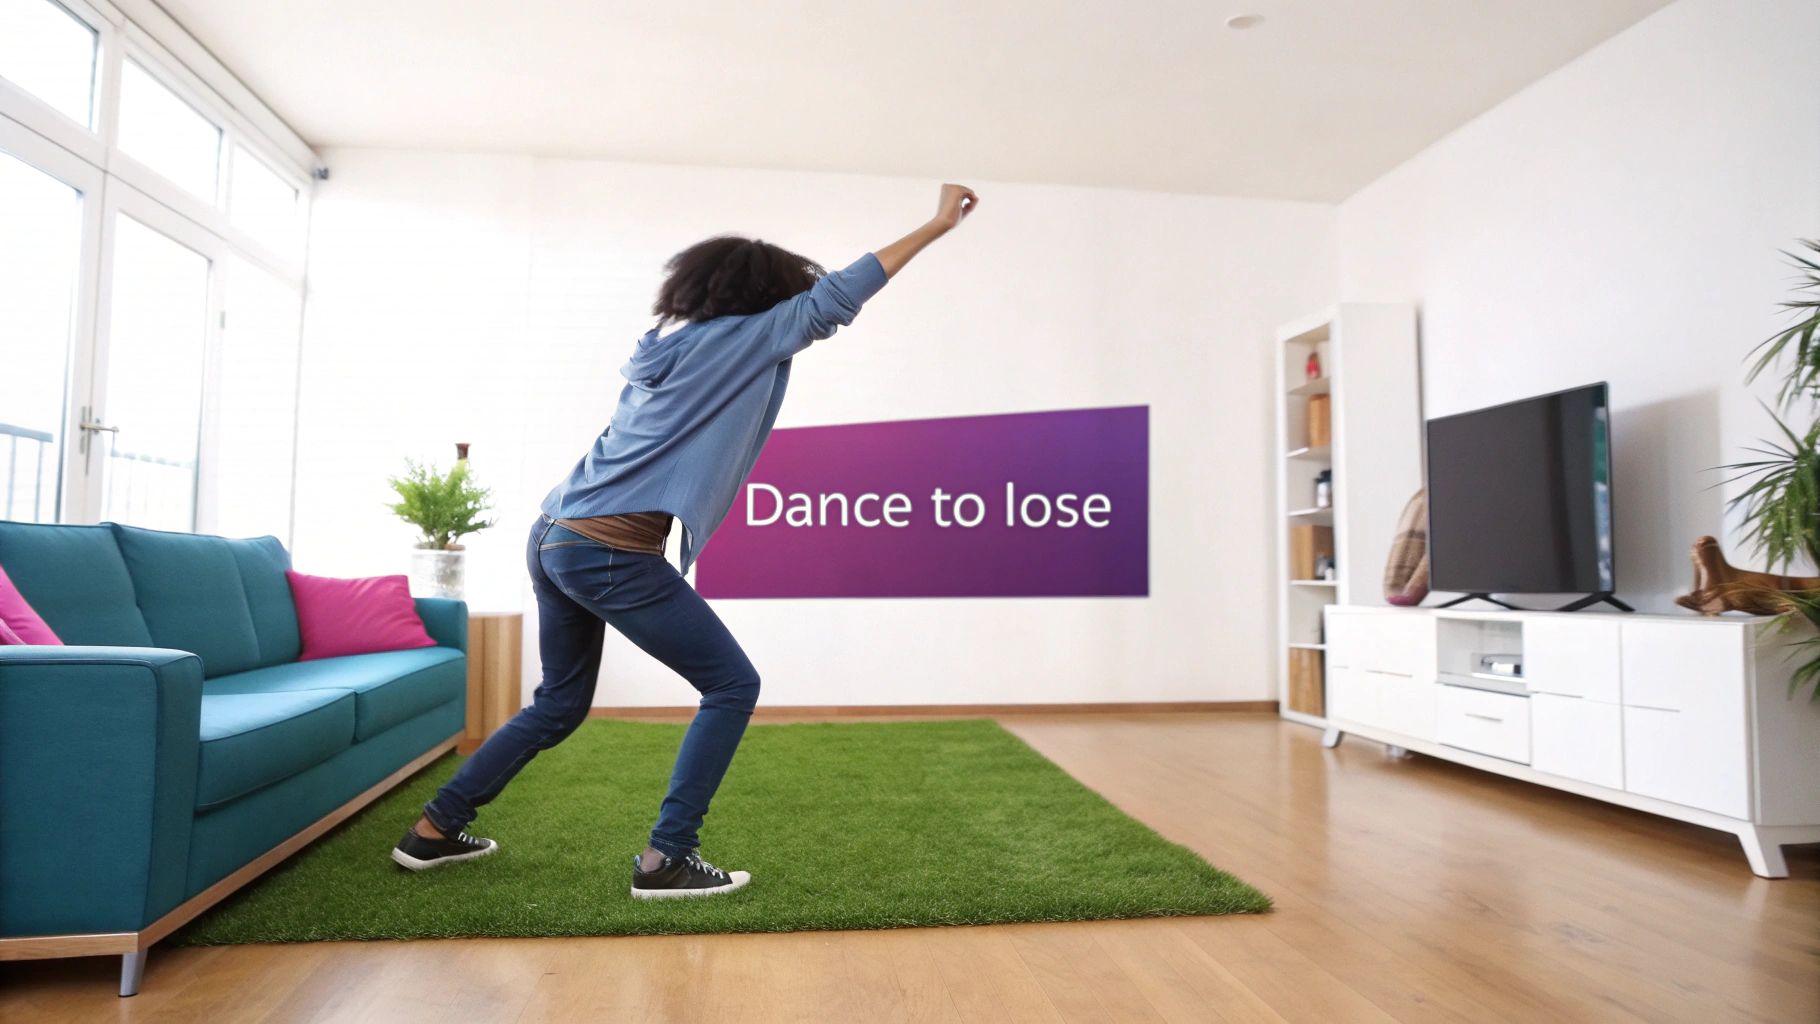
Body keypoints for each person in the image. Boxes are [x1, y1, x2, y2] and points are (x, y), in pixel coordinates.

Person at [391, 183, 980, 897]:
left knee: (559, 704)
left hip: (554, 536)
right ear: (764, 296)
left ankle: (433, 829)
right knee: (732, 684)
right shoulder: (745, 339)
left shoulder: (667, 347)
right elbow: (836, 297)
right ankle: (667, 857)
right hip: (607, 549)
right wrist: (937, 223)